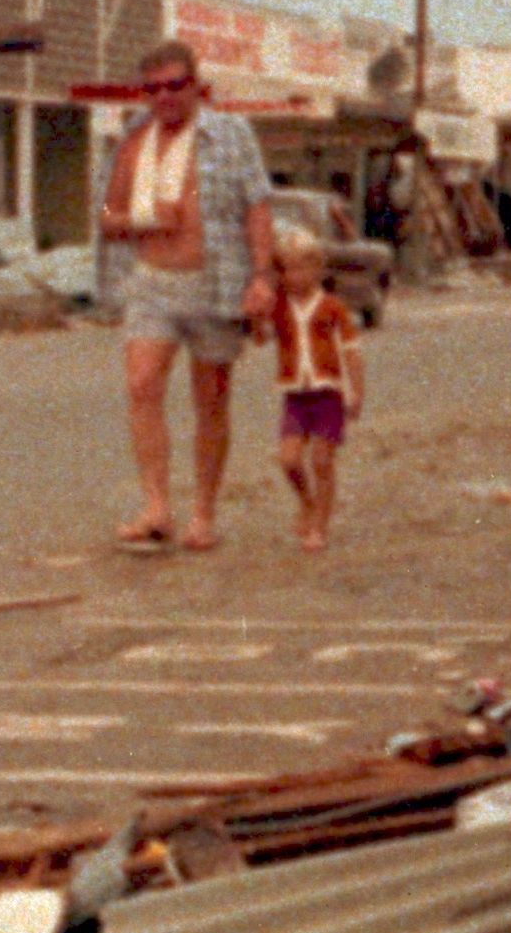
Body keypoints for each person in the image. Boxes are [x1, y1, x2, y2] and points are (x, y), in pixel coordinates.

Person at [100, 38, 277, 552]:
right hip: (153, 282)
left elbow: (257, 205)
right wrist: (146, 218)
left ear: (196, 86)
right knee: (141, 386)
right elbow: (107, 218)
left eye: (175, 85)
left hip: (215, 283)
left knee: (211, 402)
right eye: (153, 88)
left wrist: (261, 276)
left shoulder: (230, 134)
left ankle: (204, 514)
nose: (165, 97)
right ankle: (156, 506)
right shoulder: (133, 142)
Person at [267, 225, 363, 552]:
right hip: (295, 394)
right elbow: (261, 336)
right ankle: (306, 502)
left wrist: (355, 391)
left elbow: (350, 351)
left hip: (327, 394)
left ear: (317, 268)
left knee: (322, 460)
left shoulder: (332, 307)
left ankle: (320, 525)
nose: (294, 276)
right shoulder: (279, 306)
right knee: (289, 460)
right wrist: (255, 316)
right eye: (287, 269)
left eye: (301, 267)